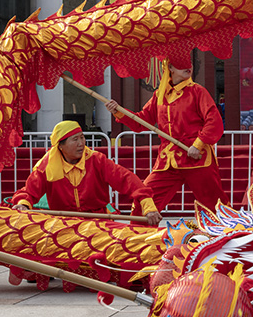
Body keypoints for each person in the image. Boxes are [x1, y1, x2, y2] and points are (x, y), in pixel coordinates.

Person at [105, 53, 226, 212]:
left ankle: (227, 235)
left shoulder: (198, 92)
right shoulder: (159, 95)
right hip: (167, 160)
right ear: (169, 67)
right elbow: (141, 121)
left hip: (196, 157)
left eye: (188, 63)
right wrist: (119, 112)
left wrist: (198, 144)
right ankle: (140, 235)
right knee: (145, 202)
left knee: (214, 205)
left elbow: (214, 121)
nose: (187, 67)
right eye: (180, 64)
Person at [11, 120, 162, 225]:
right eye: (75, 139)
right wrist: (23, 204)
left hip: (99, 221)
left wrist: (147, 205)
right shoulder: (46, 166)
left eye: (82, 138)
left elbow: (126, 179)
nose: (81, 143)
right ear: (60, 146)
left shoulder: (97, 160)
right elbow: (29, 192)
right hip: (64, 223)